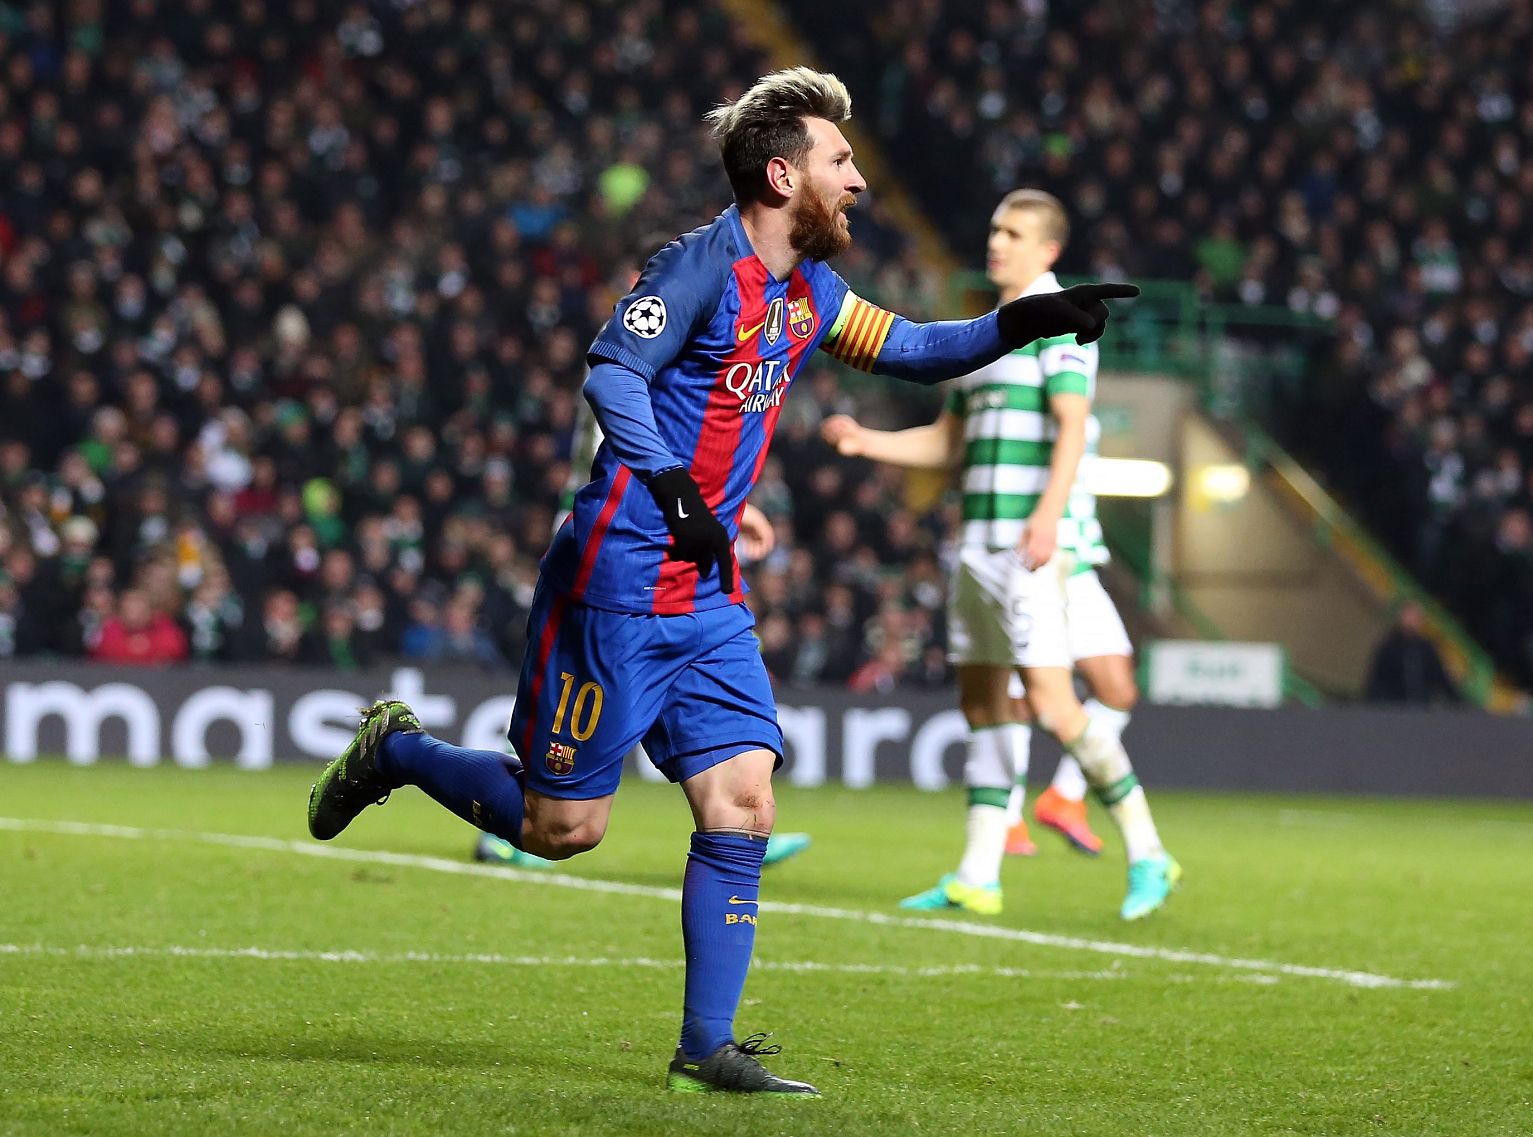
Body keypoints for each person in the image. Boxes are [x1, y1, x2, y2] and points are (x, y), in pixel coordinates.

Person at [306, 68, 1136, 1096]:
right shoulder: (699, 268)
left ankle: (706, 1046)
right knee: (561, 830)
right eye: (841, 162)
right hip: (612, 579)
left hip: (702, 591)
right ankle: (398, 751)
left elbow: (917, 350)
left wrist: (1033, 321)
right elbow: (612, 369)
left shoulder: (810, 289)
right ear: (783, 174)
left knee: (742, 797)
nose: (861, 182)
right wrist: (670, 486)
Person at [821, 188, 1177, 921]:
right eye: (993, 229)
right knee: (984, 707)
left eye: (1013, 233)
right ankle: (978, 875)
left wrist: (1048, 516)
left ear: (1047, 250)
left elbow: (1074, 426)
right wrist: (867, 441)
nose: (997, 242)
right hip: (975, 548)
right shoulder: (987, 333)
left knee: (1053, 703)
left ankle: (1149, 850)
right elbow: (950, 444)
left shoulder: (1058, 323)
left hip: (1027, 549)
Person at [471, 395, 813, 872]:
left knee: (664, 704)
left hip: (646, 531)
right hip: (617, 544)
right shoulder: (642, 342)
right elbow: (642, 434)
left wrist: (722, 505)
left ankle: (734, 816)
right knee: (569, 728)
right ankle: (507, 825)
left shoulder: (653, 343)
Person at [1363, 599, 1461, 705]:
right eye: (1408, 616)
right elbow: (1375, 680)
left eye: (1415, 617)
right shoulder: (1388, 647)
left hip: (1421, 711)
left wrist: (1459, 702)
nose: (1411, 621)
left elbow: (1440, 678)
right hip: (1393, 710)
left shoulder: (1427, 649)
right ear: (1401, 618)